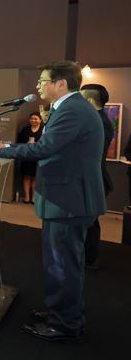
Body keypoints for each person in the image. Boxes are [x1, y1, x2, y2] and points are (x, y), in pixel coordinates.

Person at [0, 61, 106, 341]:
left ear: (61, 83)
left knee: (63, 264)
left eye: (42, 81)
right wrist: (5, 146)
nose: (37, 86)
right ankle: (63, 313)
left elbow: (46, 148)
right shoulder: (72, 108)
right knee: (62, 262)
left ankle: (66, 324)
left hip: (69, 200)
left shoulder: (72, 110)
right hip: (66, 198)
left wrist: (0, 152)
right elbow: (51, 147)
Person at [80, 83, 114, 270]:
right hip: (94, 178)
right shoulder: (98, 119)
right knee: (89, 222)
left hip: (95, 179)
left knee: (89, 223)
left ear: (89, 100)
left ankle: (89, 260)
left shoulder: (98, 121)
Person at [17, 113, 44, 204]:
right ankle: (27, 198)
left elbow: (46, 143)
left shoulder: (44, 130)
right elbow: (19, 142)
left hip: (38, 157)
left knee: (36, 177)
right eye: (32, 119)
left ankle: (34, 198)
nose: (33, 120)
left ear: (40, 120)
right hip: (27, 156)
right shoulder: (25, 129)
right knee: (27, 177)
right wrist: (27, 143)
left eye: (36, 119)